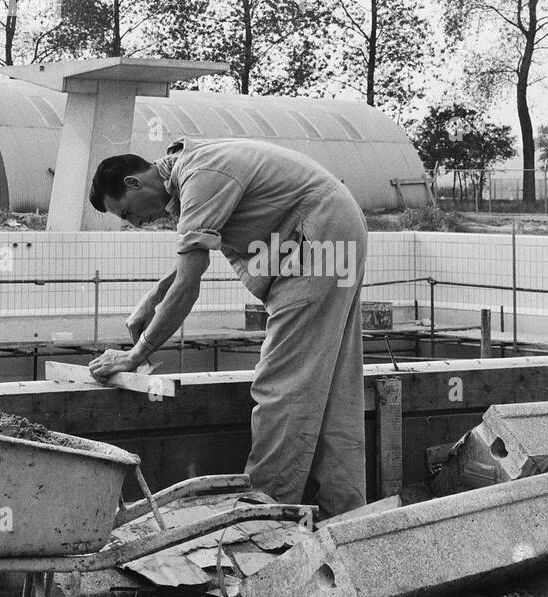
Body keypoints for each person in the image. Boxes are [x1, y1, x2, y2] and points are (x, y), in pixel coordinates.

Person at [86, 137, 368, 518]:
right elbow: (194, 256)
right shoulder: (195, 169)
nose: (135, 223)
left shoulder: (199, 176)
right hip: (334, 233)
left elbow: (190, 282)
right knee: (332, 386)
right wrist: (152, 299)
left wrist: (136, 355)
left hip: (315, 243)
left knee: (282, 384)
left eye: (127, 213)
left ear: (135, 183)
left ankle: (266, 512)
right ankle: (345, 511)